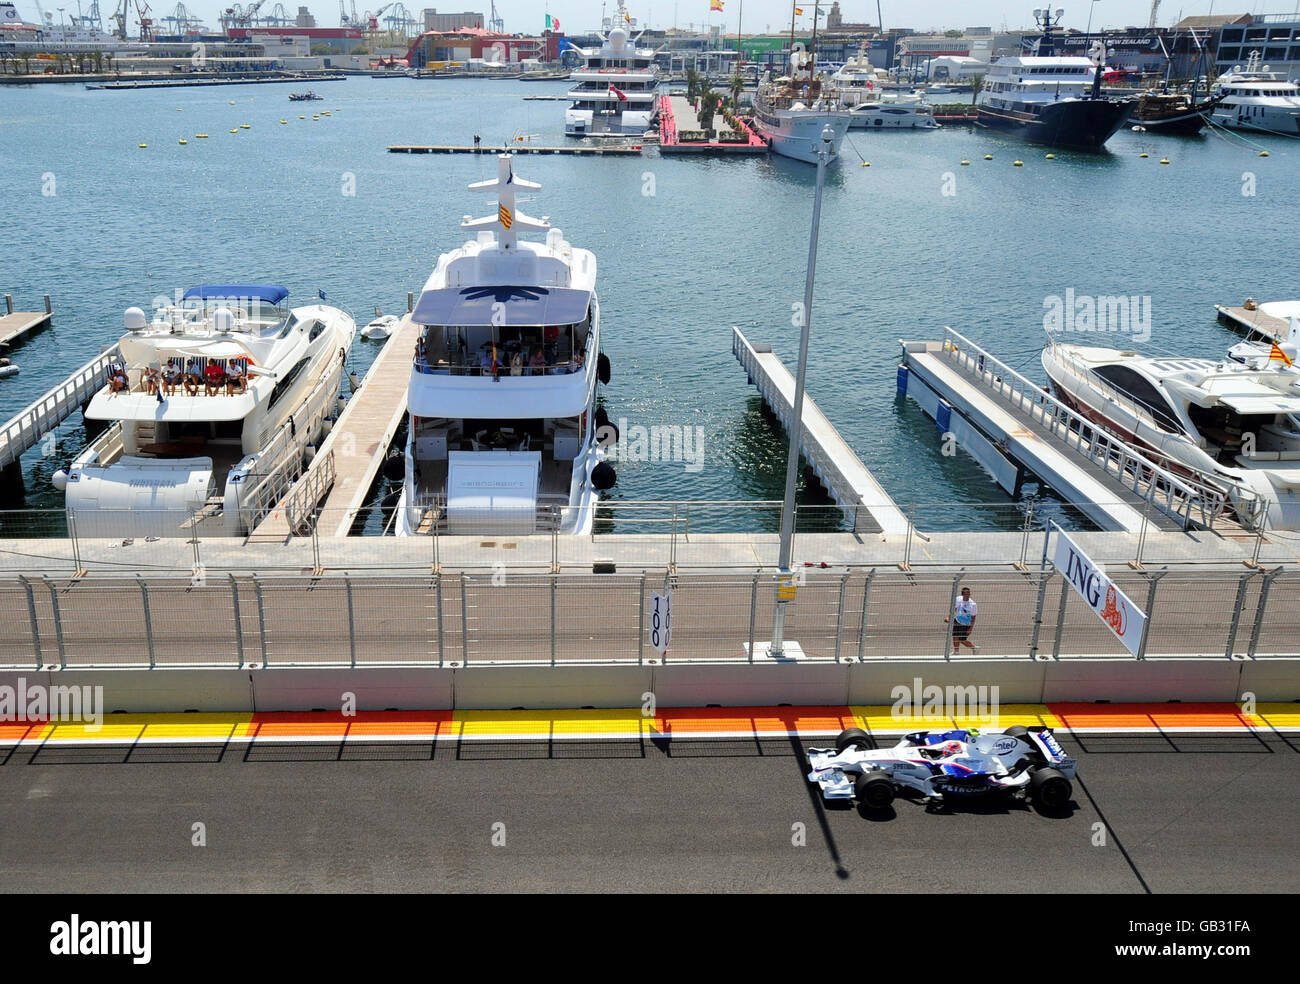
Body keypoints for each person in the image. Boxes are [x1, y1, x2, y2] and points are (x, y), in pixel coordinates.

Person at [946, 586, 979, 656]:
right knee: (955, 636)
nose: (967, 596)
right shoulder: (958, 599)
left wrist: (970, 628)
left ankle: (974, 648)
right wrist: (949, 617)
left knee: (962, 640)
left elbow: (973, 617)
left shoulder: (973, 604)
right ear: (962, 594)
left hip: (965, 624)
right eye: (966, 594)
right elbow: (954, 609)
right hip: (957, 620)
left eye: (968, 594)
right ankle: (956, 652)